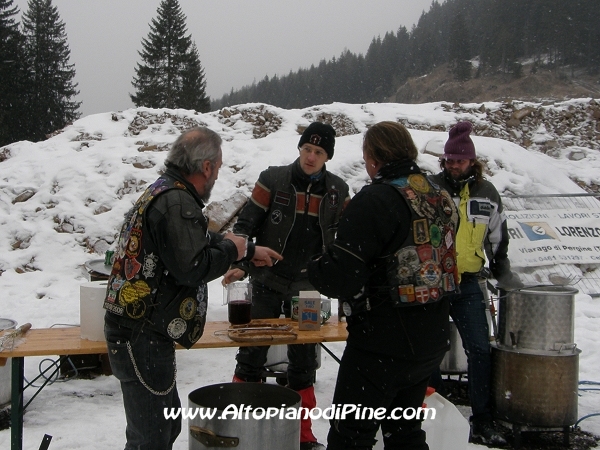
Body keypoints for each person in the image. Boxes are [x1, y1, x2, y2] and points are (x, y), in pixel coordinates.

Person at [103, 127, 282, 450]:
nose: (217, 175)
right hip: (141, 335)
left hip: (139, 332)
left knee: (164, 427)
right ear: (207, 167)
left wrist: (248, 250)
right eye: (219, 167)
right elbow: (192, 266)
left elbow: (195, 241)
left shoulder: (165, 191)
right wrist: (233, 252)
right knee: (151, 438)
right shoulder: (176, 202)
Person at [307, 121, 459, 450]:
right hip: (431, 333)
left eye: (366, 159)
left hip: (382, 342)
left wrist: (314, 266)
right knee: (404, 432)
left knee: (351, 436)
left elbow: (342, 276)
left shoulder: (376, 199)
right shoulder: (439, 194)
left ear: (373, 159)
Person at [223, 122, 350, 450]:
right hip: (266, 277)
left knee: (305, 361)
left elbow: (346, 240)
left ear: (328, 156)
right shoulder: (273, 178)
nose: (311, 156)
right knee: (251, 354)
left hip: (309, 286)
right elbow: (246, 223)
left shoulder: (338, 191)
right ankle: (242, 428)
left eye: (319, 152)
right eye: (307, 149)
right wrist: (239, 265)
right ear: (300, 149)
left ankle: (303, 435)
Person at [428, 120, 522, 445]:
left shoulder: (487, 193)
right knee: (429, 352)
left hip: (469, 283)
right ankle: (438, 413)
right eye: (449, 160)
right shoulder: (429, 188)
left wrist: (503, 270)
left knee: (480, 350)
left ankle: (483, 419)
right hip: (435, 283)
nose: (454, 165)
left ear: (472, 160)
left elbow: (498, 237)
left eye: (460, 160)